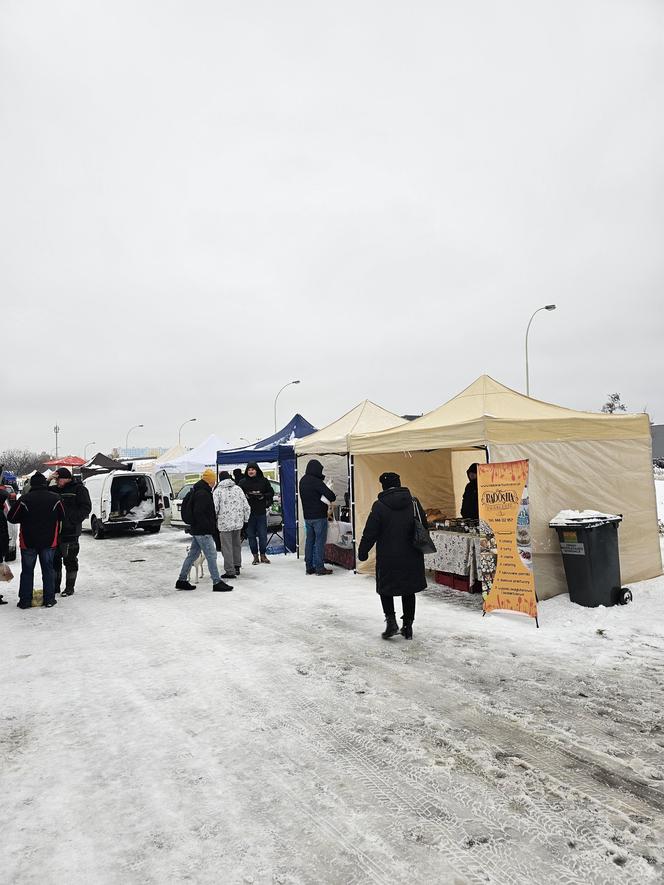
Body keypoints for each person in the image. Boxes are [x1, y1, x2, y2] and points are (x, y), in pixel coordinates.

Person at [357, 472, 427, 640]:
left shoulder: (379, 506)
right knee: (408, 590)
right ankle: (408, 626)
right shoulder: (413, 502)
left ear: (383, 486)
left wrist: (363, 551)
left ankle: (391, 623)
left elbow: (370, 532)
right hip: (412, 555)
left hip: (388, 556)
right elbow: (423, 525)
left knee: (386, 589)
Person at [6, 472, 65, 609]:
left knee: (27, 571)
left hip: (28, 541)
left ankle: (25, 601)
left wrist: (26, 518)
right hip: (49, 541)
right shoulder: (55, 498)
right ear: (45, 484)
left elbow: (12, 517)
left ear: (32, 484)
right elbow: (63, 515)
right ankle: (49, 599)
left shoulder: (24, 499)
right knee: (48, 570)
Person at [175, 469, 232, 593]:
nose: (214, 482)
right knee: (211, 555)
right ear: (210, 481)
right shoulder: (203, 493)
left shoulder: (198, 490)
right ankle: (217, 582)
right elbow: (199, 513)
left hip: (197, 530)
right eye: (213, 480)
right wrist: (208, 527)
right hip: (203, 531)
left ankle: (182, 580)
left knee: (192, 555)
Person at [48, 468, 92, 596]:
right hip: (55, 532)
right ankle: (55, 586)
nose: (57, 482)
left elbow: (86, 507)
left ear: (67, 478)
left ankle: (69, 587)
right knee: (55, 561)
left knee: (70, 560)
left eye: (58, 479)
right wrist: (48, 479)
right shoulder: (54, 490)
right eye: (55, 479)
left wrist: (72, 520)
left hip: (71, 532)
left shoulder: (79, 489)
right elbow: (40, 492)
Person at [299, 459, 336, 575]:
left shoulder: (303, 480)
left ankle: (309, 567)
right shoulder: (316, 481)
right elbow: (331, 496)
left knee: (309, 541)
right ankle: (320, 568)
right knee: (319, 542)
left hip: (307, 517)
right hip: (319, 516)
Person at [213, 470, 250, 579]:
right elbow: (246, 506)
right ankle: (237, 566)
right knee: (236, 545)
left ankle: (230, 571)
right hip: (238, 523)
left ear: (220, 479)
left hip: (224, 524)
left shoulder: (218, 491)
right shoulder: (238, 489)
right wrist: (246, 520)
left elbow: (215, 508)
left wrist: (214, 520)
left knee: (227, 547)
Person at [239, 462, 274, 565]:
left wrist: (263, 496)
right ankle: (255, 556)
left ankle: (263, 555)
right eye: (249, 469)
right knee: (251, 536)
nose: (251, 471)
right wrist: (246, 496)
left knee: (263, 535)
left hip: (261, 512)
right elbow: (238, 495)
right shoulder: (242, 482)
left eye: (253, 469)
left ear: (257, 470)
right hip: (248, 514)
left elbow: (271, 492)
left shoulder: (264, 481)